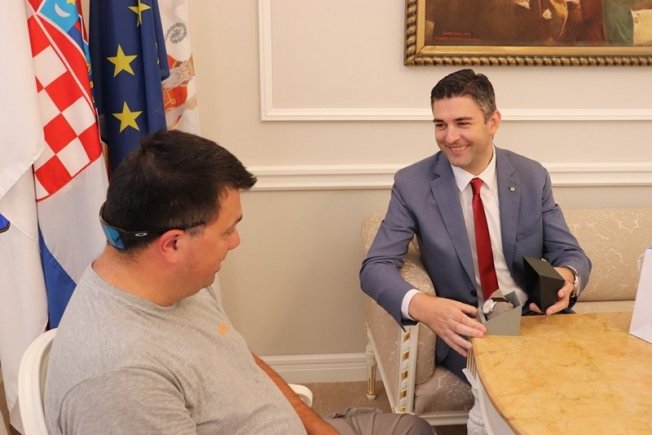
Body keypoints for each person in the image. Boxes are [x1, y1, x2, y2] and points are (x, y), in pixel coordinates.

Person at [43, 130, 433, 435]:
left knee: (414, 428)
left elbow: (241, 361)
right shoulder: (120, 383)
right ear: (173, 244)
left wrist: (318, 427)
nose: (235, 242)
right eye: (227, 230)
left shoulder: (176, 283)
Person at [360, 69, 591, 383]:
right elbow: (375, 267)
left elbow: (570, 253)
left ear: (493, 122)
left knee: (589, 383)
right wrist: (425, 307)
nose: (450, 137)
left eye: (462, 123)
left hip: (534, 317)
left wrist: (567, 278)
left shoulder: (531, 176)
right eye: (440, 124)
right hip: (469, 328)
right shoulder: (412, 184)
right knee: (514, 388)